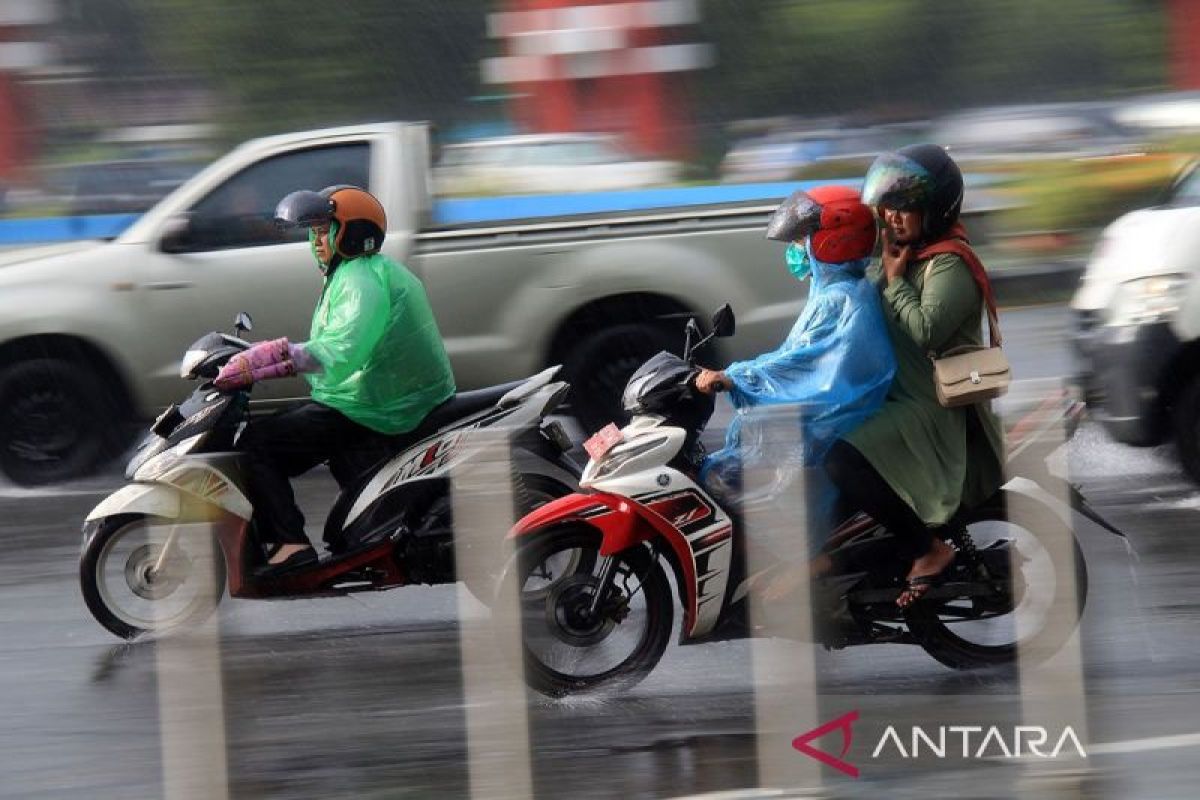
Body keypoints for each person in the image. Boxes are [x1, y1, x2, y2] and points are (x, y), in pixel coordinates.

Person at [214, 185, 456, 576]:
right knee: (296, 429)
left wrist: (270, 359)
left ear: (353, 231)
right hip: (371, 398)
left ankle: (291, 545)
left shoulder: (362, 277)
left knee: (256, 444)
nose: (317, 240)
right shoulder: (354, 272)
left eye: (325, 229)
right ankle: (366, 537)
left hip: (379, 405)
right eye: (312, 231)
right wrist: (259, 360)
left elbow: (341, 351)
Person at [824, 144, 1005, 608]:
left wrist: (896, 280)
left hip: (930, 409)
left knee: (841, 460)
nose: (894, 216)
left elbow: (927, 331)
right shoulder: (901, 255)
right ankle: (830, 560)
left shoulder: (949, 263)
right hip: (894, 397)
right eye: (888, 206)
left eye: (906, 207)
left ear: (937, 208)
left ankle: (929, 550)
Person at [694, 184, 896, 557]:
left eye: (804, 239)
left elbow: (805, 372)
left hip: (826, 425)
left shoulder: (842, 300)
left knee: (726, 478)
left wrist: (735, 377)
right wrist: (738, 372)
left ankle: (799, 563)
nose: (796, 249)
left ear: (833, 242)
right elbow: (791, 358)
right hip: (817, 422)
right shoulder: (831, 293)